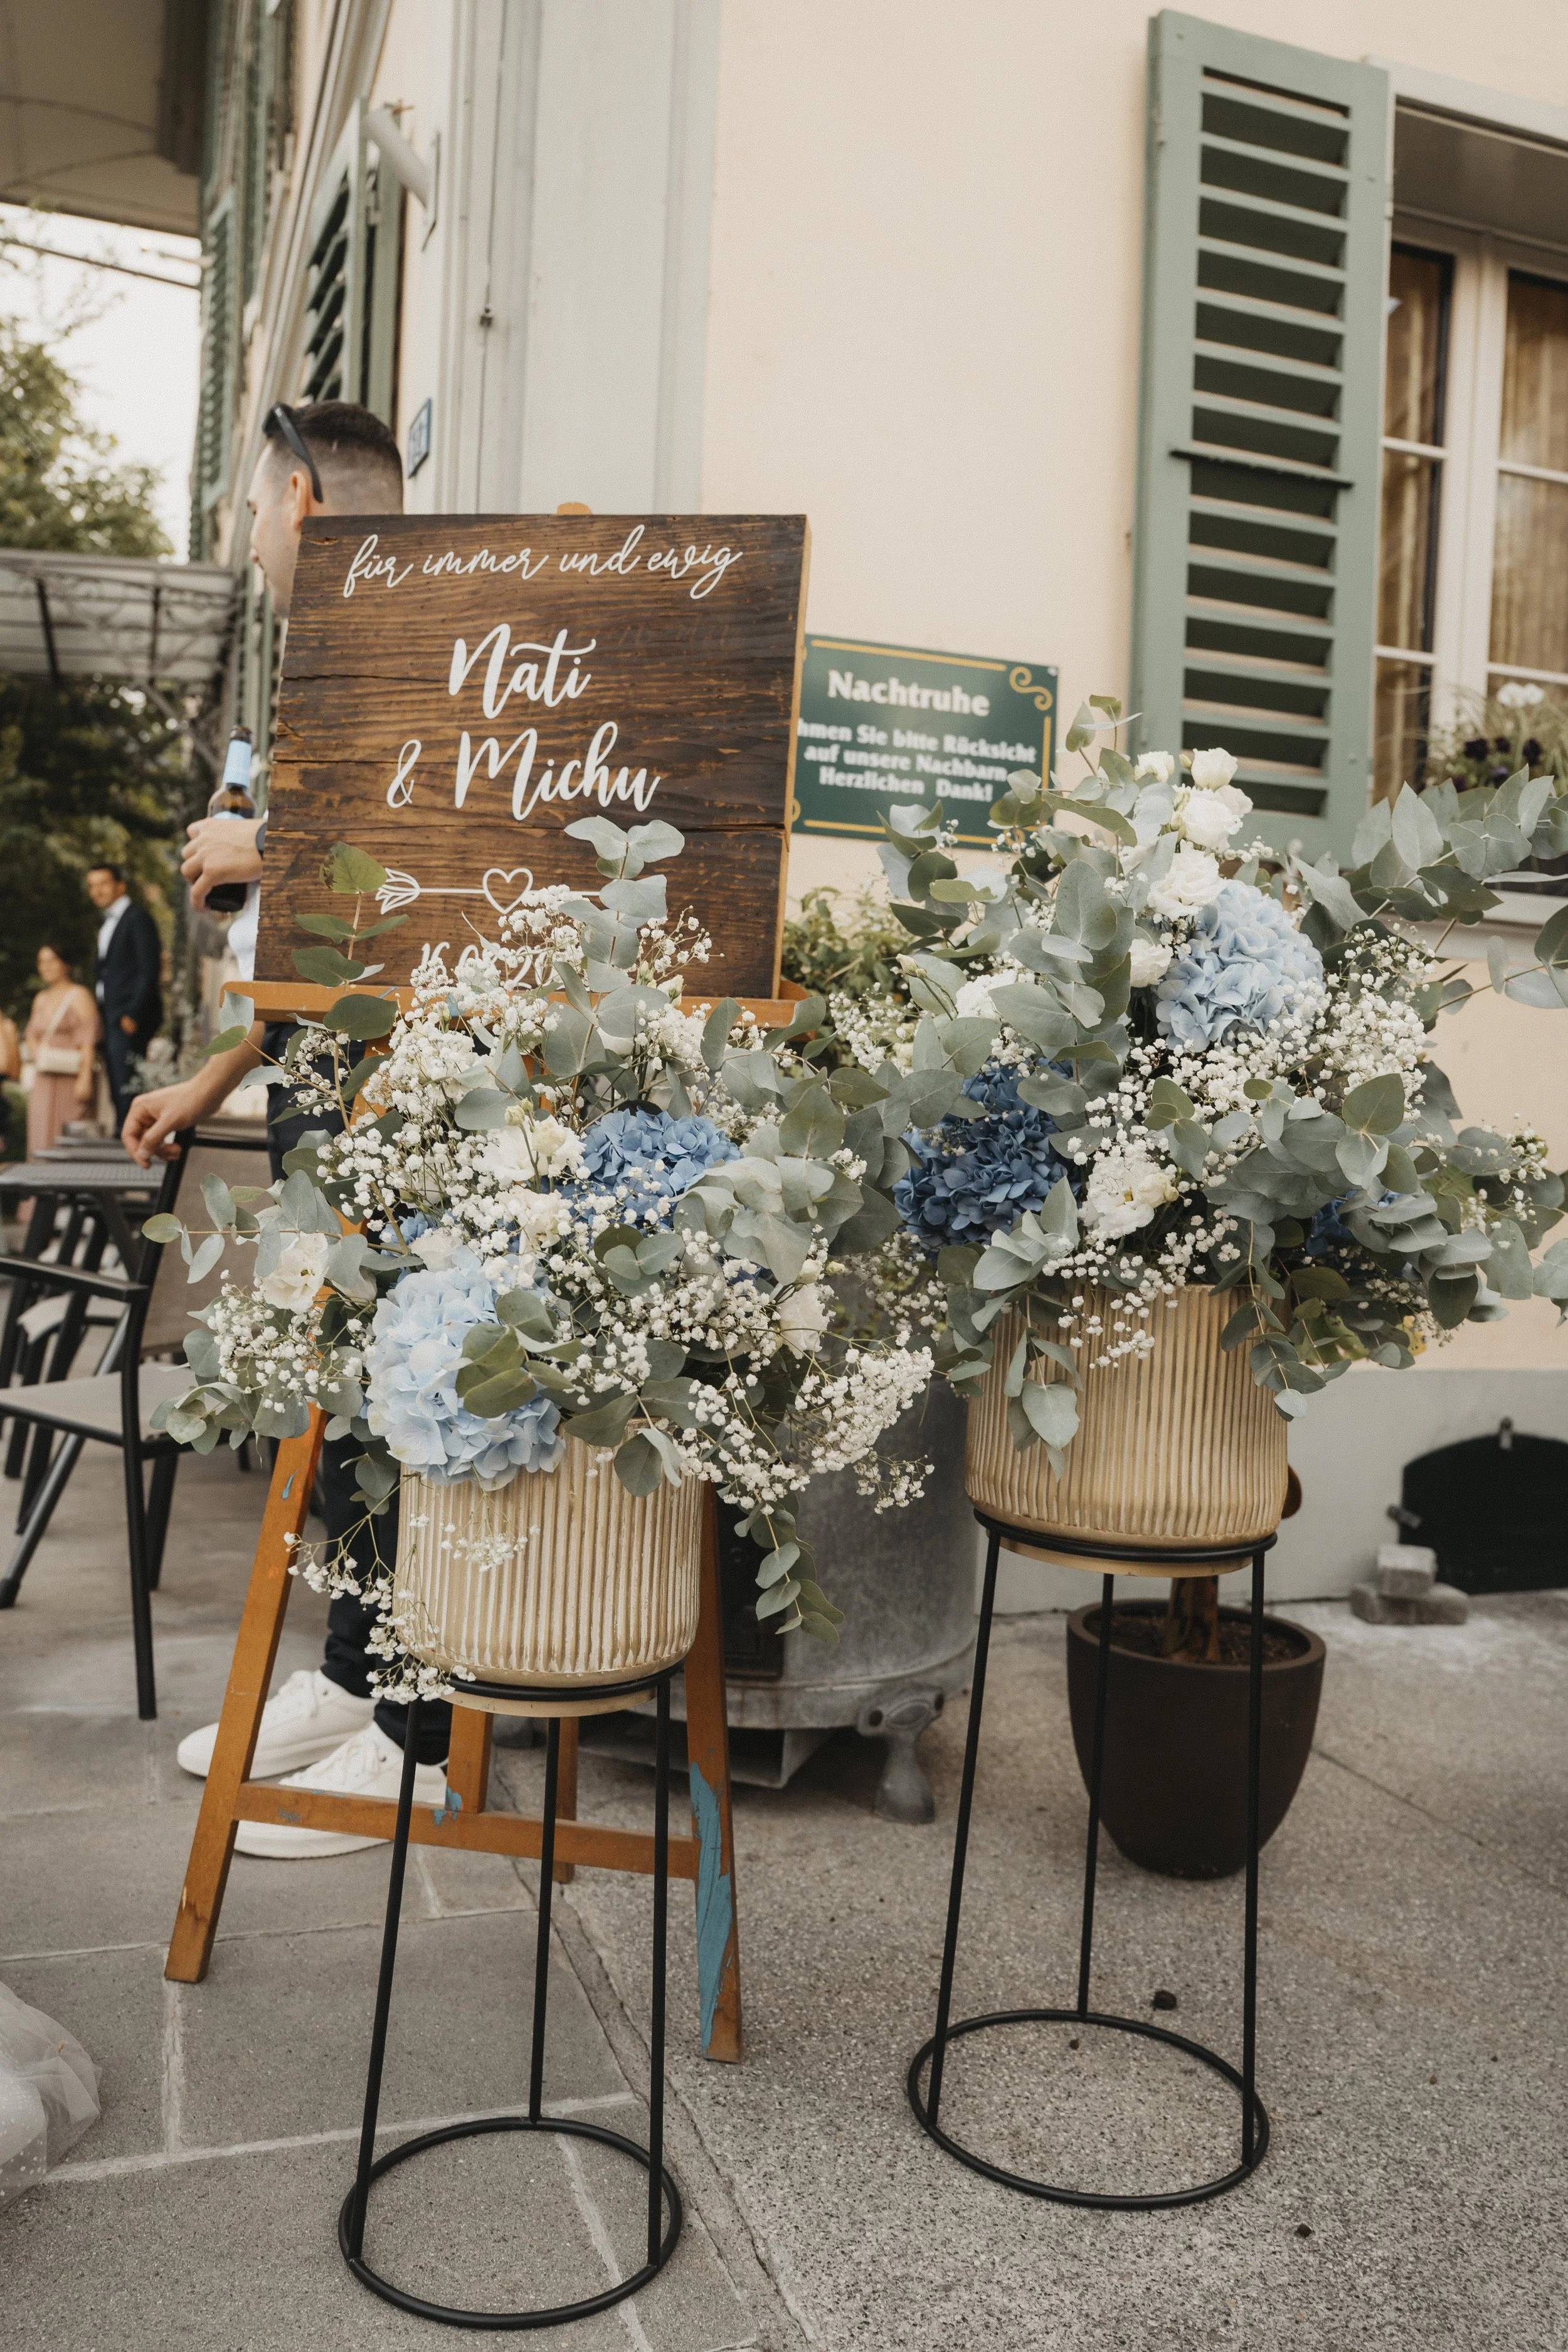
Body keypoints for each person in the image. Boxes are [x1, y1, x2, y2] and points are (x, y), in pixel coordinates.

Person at [123, 399, 449, 1860]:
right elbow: (330, 937)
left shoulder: (423, 637)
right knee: (350, 1400)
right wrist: (212, 1077)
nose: (244, 533)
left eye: (251, 507)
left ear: (305, 502)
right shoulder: (318, 664)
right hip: (331, 1087)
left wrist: (273, 841)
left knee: (408, 1403)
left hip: (418, 1105)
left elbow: (456, 852)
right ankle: (343, 1676)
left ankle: (419, 1742)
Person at [87, 866, 161, 1133]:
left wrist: (134, 1013)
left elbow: (149, 968)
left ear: (121, 885)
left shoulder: (137, 918)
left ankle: (131, 1141)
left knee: (127, 1082)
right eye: (92, 885)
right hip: (109, 1014)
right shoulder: (108, 922)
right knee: (117, 1080)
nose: (97, 891)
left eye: (103, 883)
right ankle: (124, 1137)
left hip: (128, 1016)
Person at [23, 945, 100, 1155]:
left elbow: (88, 1040)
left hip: (71, 1076)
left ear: (65, 964)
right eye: (41, 962)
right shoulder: (41, 999)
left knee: (68, 1132)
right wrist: (36, 1051)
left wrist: (85, 1078)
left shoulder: (79, 995)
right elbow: (31, 1033)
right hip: (44, 1076)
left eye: (51, 961)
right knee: (40, 1131)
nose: (45, 967)